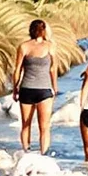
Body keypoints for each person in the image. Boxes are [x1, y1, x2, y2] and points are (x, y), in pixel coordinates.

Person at [14, 19, 57, 152]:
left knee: (26, 124)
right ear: (44, 31)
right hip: (43, 89)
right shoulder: (50, 46)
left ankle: (26, 151)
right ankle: (43, 154)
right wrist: (55, 87)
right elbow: (53, 68)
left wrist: (15, 88)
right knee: (44, 126)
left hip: (26, 88)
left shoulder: (24, 46)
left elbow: (17, 70)